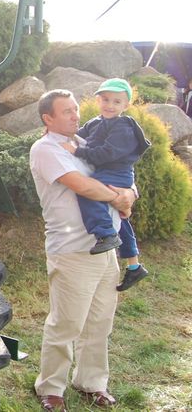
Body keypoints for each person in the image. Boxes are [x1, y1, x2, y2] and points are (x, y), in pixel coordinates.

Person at [30, 89, 137, 411]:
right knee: (67, 324)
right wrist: (118, 197)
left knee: (99, 322)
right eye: (67, 112)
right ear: (48, 119)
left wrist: (130, 192)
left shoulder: (85, 145)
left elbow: (125, 173)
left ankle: (92, 382)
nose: (76, 116)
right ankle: (51, 388)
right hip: (73, 251)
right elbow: (82, 184)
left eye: (76, 109)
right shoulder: (45, 149)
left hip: (106, 249)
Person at [60, 78, 150, 290]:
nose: (110, 105)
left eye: (116, 102)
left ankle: (106, 234)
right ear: (98, 100)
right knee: (119, 216)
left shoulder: (123, 127)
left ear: (125, 105)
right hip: (108, 172)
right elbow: (78, 137)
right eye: (106, 99)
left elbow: (106, 153)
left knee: (89, 192)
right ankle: (134, 266)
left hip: (117, 173)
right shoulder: (96, 123)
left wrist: (77, 152)